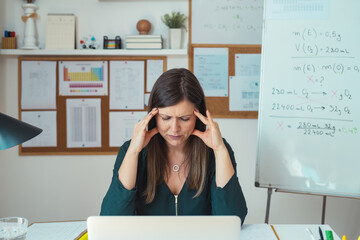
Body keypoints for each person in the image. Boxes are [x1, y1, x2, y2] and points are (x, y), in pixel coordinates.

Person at [100, 68, 247, 223]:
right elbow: (111, 220)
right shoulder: (132, 151)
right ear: (153, 116)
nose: (175, 128)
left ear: (198, 117)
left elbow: (233, 219)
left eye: (184, 118)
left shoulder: (216, 151)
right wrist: (133, 152)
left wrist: (220, 150)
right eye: (165, 118)